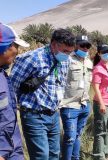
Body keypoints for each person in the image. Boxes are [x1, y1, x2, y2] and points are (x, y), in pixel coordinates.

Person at [10, 28, 75, 159]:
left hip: (54, 115)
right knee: (41, 156)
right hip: (34, 115)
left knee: (54, 154)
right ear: (53, 44)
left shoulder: (65, 60)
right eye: (65, 51)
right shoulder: (32, 58)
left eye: (70, 52)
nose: (67, 55)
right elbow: (12, 86)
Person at [60, 35, 93, 160]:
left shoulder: (88, 61)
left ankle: (76, 157)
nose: (85, 48)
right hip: (70, 105)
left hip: (84, 104)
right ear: (75, 45)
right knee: (70, 138)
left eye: (87, 46)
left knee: (78, 135)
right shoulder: (67, 60)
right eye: (82, 45)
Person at [0, 23, 29, 160]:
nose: (18, 51)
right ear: (4, 47)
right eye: (16, 46)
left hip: (13, 146)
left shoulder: (3, 73)